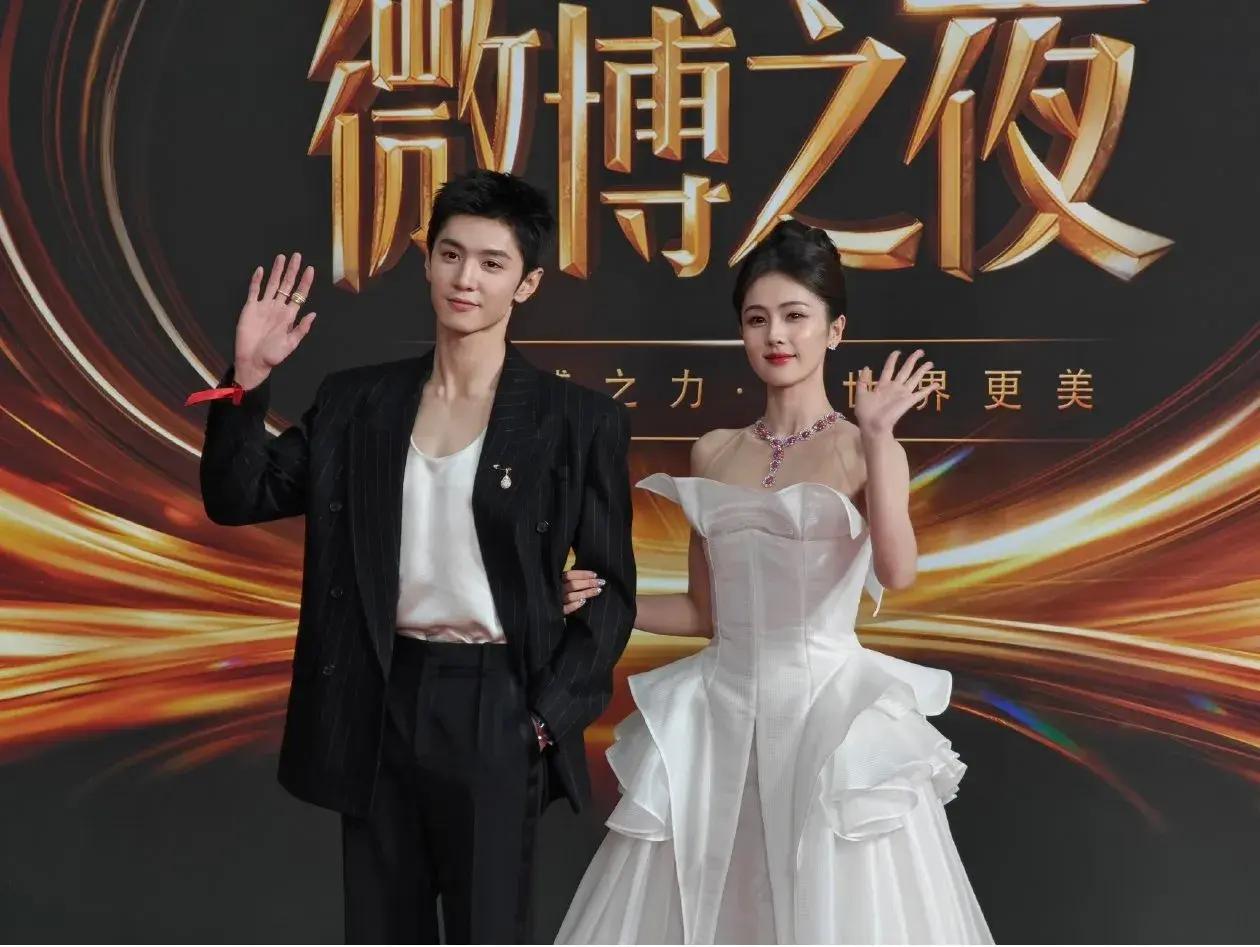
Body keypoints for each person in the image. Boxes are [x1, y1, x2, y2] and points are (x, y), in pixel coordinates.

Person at [193, 170, 636, 943]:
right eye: (451, 255)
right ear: (427, 261)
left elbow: (610, 595)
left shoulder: (575, 420)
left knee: (487, 929)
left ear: (526, 283)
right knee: (380, 929)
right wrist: (248, 381)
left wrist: (540, 721)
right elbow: (240, 496)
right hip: (377, 693)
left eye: (493, 263)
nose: (466, 279)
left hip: (496, 701)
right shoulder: (357, 401)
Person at [555, 220, 991, 944]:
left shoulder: (863, 448)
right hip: (718, 711)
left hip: (826, 711)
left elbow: (898, 571)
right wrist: (598, 600)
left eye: (795, 315)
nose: (776, 335)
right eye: (757, 319)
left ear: (835, 329)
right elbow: (703, 610)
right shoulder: (714, 450)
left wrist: (879, 437)